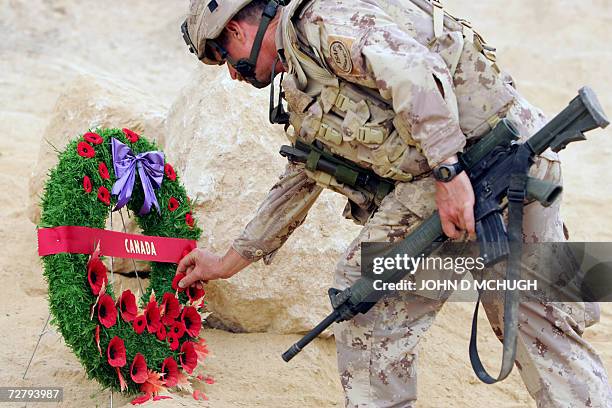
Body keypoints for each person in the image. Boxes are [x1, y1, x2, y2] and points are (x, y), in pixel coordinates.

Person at [177, 0, 612, 406]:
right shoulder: (303, 80)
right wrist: (228, 262)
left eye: (223, 57)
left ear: (236, 28)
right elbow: (304, 175)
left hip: (492, 165)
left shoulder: (321, 24)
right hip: (505, 168)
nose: (233, 74)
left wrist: (448, 173)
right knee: (533, 318)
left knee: (366, 299)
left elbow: (415, 70)